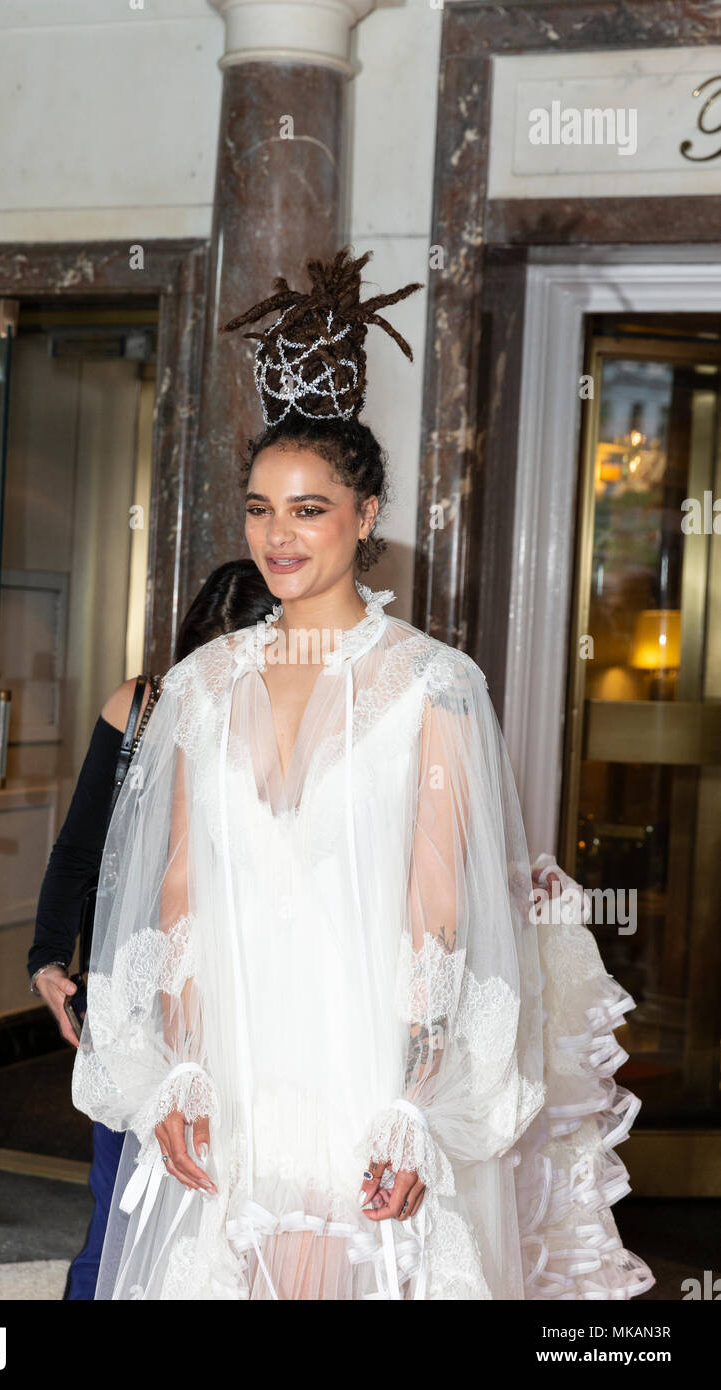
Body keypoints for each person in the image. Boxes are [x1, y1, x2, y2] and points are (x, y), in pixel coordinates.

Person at [71, 247, 654, 1300]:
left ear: (365, 511)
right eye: (257, 507)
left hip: (361, 1073)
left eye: (305, 507)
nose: (275, 535)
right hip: (233, 1073)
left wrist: (416, 1101)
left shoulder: (434, 686)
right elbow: (177, 894)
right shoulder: (201, 687)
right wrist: (173, 1071)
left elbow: (439, 915)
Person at [27, 558, 276, 1300]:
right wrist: (46, 959)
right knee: (119, 1213)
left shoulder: (304, 724)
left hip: (246, 1001)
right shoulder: (142, 706)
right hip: (133, 994)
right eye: (207, 658)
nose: (219, 683)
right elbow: (78, 846)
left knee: (226, 1213)